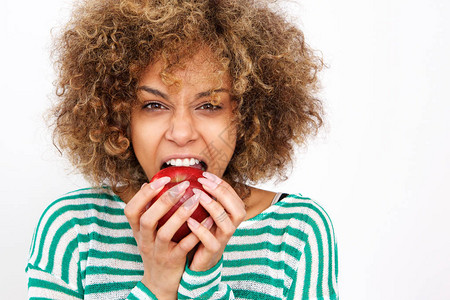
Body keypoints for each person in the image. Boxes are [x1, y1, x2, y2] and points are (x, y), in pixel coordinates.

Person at [26, 0, 338, 299]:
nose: (181, 132)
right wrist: (157, 286)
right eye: (153, 105)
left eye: (209, 105)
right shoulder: (74, 229)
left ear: (244, 117)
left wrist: (205, 283)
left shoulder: (295, 232)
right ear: (119, 118)